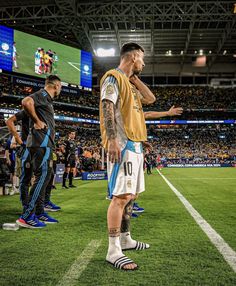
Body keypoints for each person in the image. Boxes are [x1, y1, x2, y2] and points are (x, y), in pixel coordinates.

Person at [100, 42, 156, 270]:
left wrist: (135, 78)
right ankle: (113, 250)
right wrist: (112, 140)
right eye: (142, 58)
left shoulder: (129, 84)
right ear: (133, 57)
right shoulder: (113, 77)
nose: (143, 62)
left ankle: (126, 238)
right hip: (122, 144)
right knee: (120, 197)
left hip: (134, 144)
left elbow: (151, 99)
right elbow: (106, 105)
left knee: (131, 196)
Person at [16, 75, 62, 229]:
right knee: (42, 177)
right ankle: (27, 216)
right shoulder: (43, 94)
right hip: (41, 143)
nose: (60, 89)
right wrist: (37, 121)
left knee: (44, 176)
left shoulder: (46, 100)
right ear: (56, 85)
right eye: (60, 86)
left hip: (40, 143)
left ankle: (39, 212)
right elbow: (26, 101)